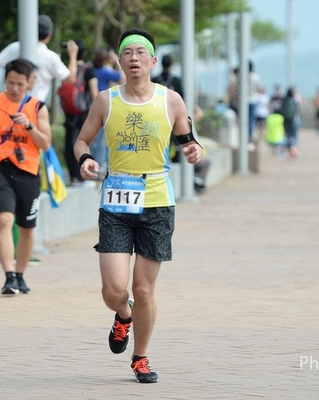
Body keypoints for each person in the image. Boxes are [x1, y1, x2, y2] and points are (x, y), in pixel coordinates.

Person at [73, 28, 203, 383]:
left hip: (157, 203)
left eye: (140, 52)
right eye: (127, 52)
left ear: (152, 61)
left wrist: (194, 150)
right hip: (116, 202)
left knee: (144, 289)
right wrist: (85, 159)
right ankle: (123, 315)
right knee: (114, 291)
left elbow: (189, 141)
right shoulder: (106, 100)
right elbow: (82, 140)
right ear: (119, 61)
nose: (134, 58)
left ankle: (140, 357)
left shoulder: (170, 100)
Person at [0, 59, 52, 294]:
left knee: (26, 228)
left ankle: (20, 275)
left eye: (20, 84)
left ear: (29, 83)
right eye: (10, 83)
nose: (14, 88)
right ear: (4, 81)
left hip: (29, 172)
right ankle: (8, 277)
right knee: (4, 220)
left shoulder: (38, 108)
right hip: (0, 169)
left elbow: (46, 144)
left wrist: (29, 126)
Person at [0, 15, 78, 102]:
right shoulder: (51, 57)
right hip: (36, 106)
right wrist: (73, 55)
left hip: (11, 103)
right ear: (49, 35)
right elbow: (70, 79)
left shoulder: (15, 47)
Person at [62, 40, 99, 186]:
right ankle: (82, 176)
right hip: (83, 112)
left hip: (69, 112)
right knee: (82, 142)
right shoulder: (89, 69)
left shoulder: (67, 69)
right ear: (85, 53)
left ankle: (73, 177)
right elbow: (94, 92)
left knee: (70, 142)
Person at [91, 47, 126, 174]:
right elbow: (122, 78)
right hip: (102, 106)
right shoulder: (105, 71)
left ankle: (92, 164)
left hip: (89, 106)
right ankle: (99, 166)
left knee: (91, 138)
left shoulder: (91, 70)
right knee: (100, 139)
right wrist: (117, 60)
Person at [279, 87, 299, 158]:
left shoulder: (284, 100)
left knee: (287, 136)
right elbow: (297, 109)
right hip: (293, 119)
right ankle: (294, 149)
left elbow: (281, 110)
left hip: (285, 120)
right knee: (294, 136)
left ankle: (290, 150)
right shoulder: (294, 100)